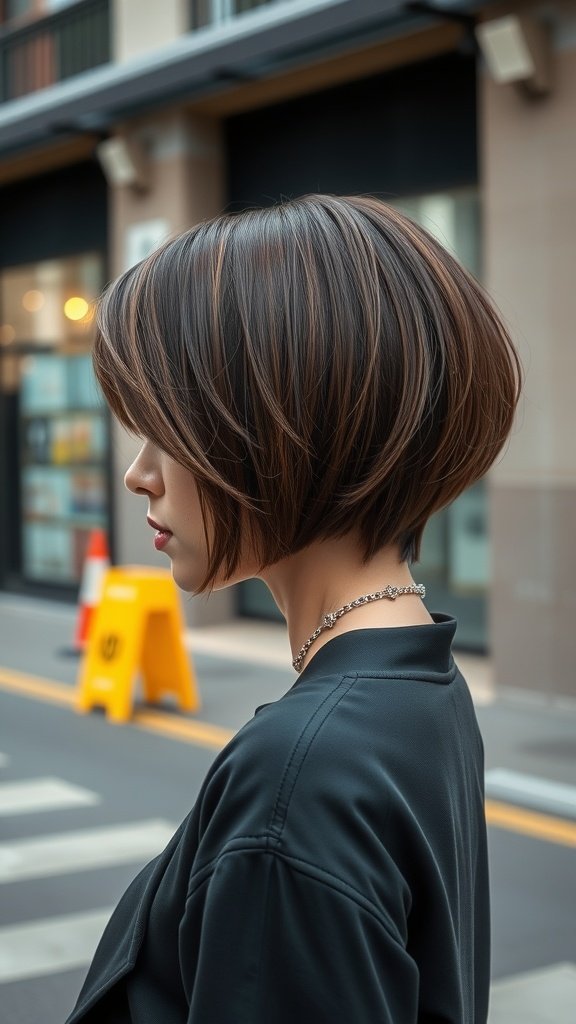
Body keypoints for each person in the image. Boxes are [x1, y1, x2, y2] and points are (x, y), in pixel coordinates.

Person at [66, 194, 521, 1024]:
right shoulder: (416, 683)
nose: (139, 474)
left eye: (167, 432)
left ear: (275, 428)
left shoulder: (299, 774)